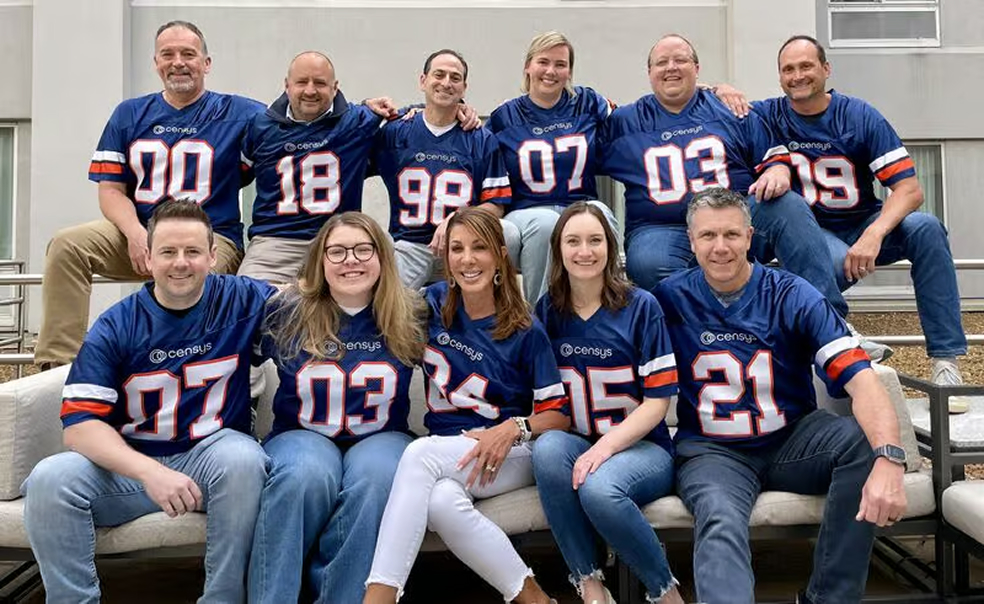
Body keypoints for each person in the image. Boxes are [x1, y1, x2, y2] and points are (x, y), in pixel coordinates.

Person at [654, 187, 908, 604]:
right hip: (712, 448)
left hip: (793, 438)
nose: (721, 247)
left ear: (751, 236)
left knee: (865, 441)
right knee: (718, 515)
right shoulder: (667, 298)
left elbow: (862, 379)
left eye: (732, 235)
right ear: (691, 240)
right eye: (708, 236)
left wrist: (889, 457)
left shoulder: (794, 294)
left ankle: (829, 598)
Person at [22, 199, 274, 603]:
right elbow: (81, 426)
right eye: (168, 252)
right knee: (49, 479)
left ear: (213, 256)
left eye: (193, 252)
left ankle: (222, 599)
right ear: (147, 258)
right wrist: (148, 473)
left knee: (245, 461)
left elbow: (309, 308)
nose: (180, 263)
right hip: (132, 465)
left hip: (212, 457)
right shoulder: (117, 324)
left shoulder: (242, 300)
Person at [752, 35, 968, 412]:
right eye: (789, 69)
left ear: (825, 69)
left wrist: (874, 233)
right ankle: (839, 337)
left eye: (806, 66)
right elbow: (717, 110)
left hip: (862, 222)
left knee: (927, 228)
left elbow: (909, 189)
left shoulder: (858, 115)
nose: (798, 75)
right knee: (833, 264)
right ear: (780, 76)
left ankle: (946, 362)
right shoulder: (768, 115)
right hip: (812, 235)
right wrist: (715, 88)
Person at [363, 207, 568, 604]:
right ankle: (536, 598)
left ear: (499, 257)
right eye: (457, 248)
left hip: (509, 451)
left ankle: (379, 596)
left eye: (479, 248)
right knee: (441, 502)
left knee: (419, 454)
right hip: (452, 451)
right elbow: (375, 299)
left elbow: (558, 415)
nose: (467, 259)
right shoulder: (432, 304)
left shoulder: (525, 329)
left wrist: (513, 428)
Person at [36, 20, 265, 368]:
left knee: (211, 281)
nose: (178, 62)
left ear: (206, 63)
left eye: (188, 54)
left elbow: (301, 114)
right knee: (67, 246)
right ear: (156, 62)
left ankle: (209, 369)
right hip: (141, 229)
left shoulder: (242, 113)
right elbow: (111, 190)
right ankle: (59, 367)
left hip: (211, 233)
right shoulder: (129, 114)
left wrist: (360, 109)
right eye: (168, 54)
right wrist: (135, 233)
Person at [599, 34, 846, 320]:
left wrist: (777, 170)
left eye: (680, 60)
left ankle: (828, 323)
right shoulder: (626, 121)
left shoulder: (730, 108)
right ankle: (703, 337)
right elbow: (579, 149)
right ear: (649, 72)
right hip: (664, 227)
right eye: (662, 62)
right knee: (648, 261)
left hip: (735, 220)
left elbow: (773, 155)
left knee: (786, 205)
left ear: (697, 68)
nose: (671, 68)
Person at [248, 212, 426, 603]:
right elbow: (232, 358)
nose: (351, 260)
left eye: (364, 249)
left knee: (378, 478)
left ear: (382, 257)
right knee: (301, 476)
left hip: (382, 434)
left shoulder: (412, 312)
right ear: (320, 261)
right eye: (338, 251)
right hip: (301, 432)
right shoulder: (285, 311)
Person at [531, 202, 684, 604]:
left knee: (599, 489)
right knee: (547, 450)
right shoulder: (547, 311)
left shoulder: (641, 306)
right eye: (574, 241)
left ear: (611, 247)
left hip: (643, 447)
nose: (585, 251)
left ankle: (665, 592)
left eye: (595, 240)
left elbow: (658, 403)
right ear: (559, 249)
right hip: (577, 441)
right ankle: (590, 585)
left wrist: (605, 448)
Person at [238, 51, 403, 284]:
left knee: (377, 297)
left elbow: (418, 120)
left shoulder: (358, 122)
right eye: (302, 82)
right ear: (287, 85)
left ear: (335, 88)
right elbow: (235, 174)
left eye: (320, 83)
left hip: (337, 240)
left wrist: (458, 110)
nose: (310, 90)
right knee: (247, 300)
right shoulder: (261, 126)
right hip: (275, 242)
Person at [372, 49, 521, 290]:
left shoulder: (481, 138)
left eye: (455, 78)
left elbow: (496, 205)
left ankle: (495, 305)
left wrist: (458, 219)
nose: (446, 83)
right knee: (383, 307)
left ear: (464, 87)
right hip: (409, 246)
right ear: (423, 81)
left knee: (509, 233)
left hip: (463, 245)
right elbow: (353, 157)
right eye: (438, 75)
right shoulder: (396, 132)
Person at [489, 32, 620, 303]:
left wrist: (702, 92)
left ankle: (607, 307)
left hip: (579, 203)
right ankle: (542, 318)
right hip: (526, 212)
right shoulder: (505, 115)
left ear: (569, 71)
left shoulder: (587, 102)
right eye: (543, 62)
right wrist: (421, 109)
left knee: (602, 215)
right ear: (528, 66)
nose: (551, 71)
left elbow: (634, 119)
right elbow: (470, 143)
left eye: (560, 64)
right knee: (547, 225)